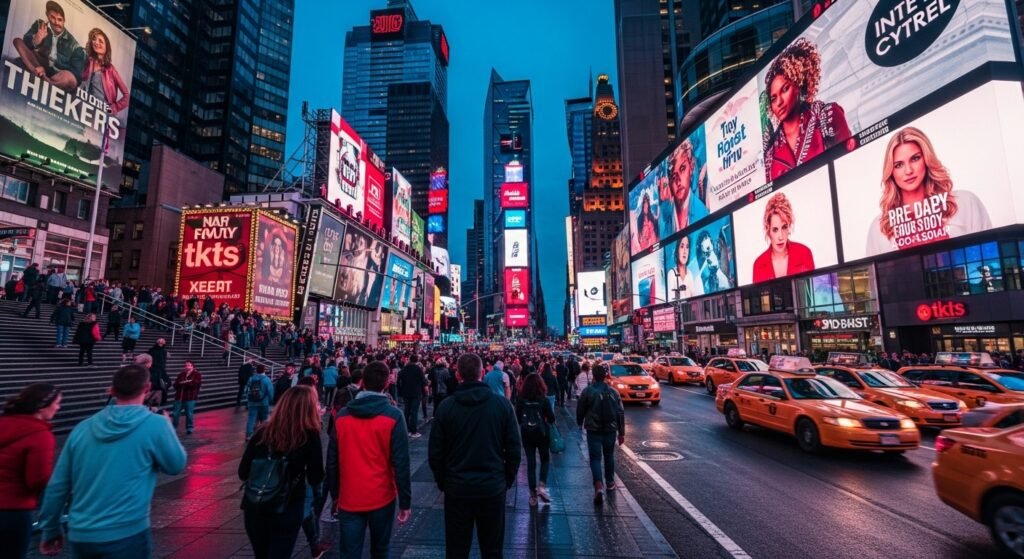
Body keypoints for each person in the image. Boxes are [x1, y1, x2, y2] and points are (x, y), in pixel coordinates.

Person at [37, 365, 187, 558]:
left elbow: (58, 485)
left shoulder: (83, 428)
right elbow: (176, 465)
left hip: (81, 533)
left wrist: (50, 528)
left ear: (112, 390)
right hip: (127, 531)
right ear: (147, 388)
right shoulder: (155, 425)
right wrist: (168, 427)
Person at [429, 353, 521, 559]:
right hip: (492, 487)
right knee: (492, 550)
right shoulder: (502, 406)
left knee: (456, 550)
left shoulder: (446, 407)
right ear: (482, 373)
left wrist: (444, 481)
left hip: (457, 488)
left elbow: (435, 453)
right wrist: (505, 480)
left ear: (458, 374)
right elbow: (514, 450)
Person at [327, 361, 411, 559]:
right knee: (380, 550)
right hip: (382, 495)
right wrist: (405, 501)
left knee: (349, 552)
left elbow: (332, 461)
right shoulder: (394, 416)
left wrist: (335, 495)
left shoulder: (342, 417)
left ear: (362, 382)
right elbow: (401, 462)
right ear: (387, 383)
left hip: (349, 496)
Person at [865, 126, 992, 256]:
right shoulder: (879, 228)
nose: (908, 171)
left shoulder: (965, 202)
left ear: (926, 159)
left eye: (915, 158)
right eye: (899, 165)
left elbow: (991, 258)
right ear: (891, 171)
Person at [239, 386, 324, 559]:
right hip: (287, 505)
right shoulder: (309, 435)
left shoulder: (262, 432)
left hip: (255, 505)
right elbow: (316, 476)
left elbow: (243, 472)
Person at [762, 38, 851, 182]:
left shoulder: (827, 117)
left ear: (799, 84)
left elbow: (850, 165)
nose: (779, 102)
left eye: (785, 89)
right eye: (773, 98)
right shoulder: (770, 153)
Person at [0, 384, 60, 559]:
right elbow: (38, 480)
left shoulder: (3, 423)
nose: (58, 407)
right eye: (56, 403)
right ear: (42, 407)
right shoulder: (40, 435)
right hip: (13, 511)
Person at [576, 363, 625, 505]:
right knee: (609, 456)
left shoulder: (588, 391)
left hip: (594, 430)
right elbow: (620, 413)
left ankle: (598, 485)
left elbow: (581, 409)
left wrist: (580, 422)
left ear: (594, 376)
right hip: (610, 429)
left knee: (595, 458)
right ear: (604, 376)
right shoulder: (613, 392)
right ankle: (610, 482)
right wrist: (621, 433)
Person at [12, 1, 85, 92]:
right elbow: (26, 45)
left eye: (59, 19)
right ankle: (40, 73)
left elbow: (77, 76)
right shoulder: (39, 25)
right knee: (17, 41)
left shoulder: (75, 46)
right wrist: (36, 41)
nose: (56, 22)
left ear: (64, 20)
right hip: (38, 64)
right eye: (52, 18)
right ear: (47, 15)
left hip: (58, 74)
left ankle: (47, 81)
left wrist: (61, 73)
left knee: (71, 79)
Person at [751, 192, 815, 283]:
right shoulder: (759, 265)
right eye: (775, 230)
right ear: (768, 230)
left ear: (789, 227)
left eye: (784, 227)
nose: (780, 237)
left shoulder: (804, 254)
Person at [515, 373, 555, 507]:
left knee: (530, 463)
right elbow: (552, 419)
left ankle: (532, 495)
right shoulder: (544, 400)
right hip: (542, 432)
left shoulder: (521, 399)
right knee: (544, 459)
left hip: (527, 433)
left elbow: (518, 417)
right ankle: (542, 485)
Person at [81, 27, 129, 114]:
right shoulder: (88, 60)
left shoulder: (110, 69)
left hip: (101, 112)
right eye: (94, 39)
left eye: (100, 41)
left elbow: (127, 96)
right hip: (84, 106)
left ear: (107, 47)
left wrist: (114, 108)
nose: (96, 42)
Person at [397, 354, 426, 438]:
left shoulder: (405, 368)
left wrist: (400, 390)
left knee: (407, 411)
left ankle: (406, 429)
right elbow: (423, 380)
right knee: (414, 412)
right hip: (416, 392)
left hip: (406, 392)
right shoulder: (418, 369)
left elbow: (399, 378)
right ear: (416, 360)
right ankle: (413, 431)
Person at [171, 360, 202, 435]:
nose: (186, 367)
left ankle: (189, 428)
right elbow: (176, 384)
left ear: (192, 366)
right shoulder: (181, 374)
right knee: (175, 413)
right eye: (185, 365)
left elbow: (194, 384)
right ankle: (173, 428)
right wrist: (186, 382)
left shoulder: (197, 374)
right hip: (179, 397)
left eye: (188, 365)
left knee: (189, 414)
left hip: (190, 397)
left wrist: (185, 383)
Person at [245, 365, 274, 440]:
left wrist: (248, 398)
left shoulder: (251, 378)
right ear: (264, 370)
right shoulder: (267, 379)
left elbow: (246, 390)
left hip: (252, 402)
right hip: (264, 402)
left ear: (256, 370)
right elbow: (270, 391)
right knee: (265, 418)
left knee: (251, 418)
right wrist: (271, 400)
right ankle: (265, 434)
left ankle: (248, 435)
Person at [147, 339, 171, 407]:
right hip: (152, 372)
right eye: (159, 342)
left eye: (162, 343)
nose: (161, 344)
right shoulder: (151, 351)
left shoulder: (164, 352)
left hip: (160, 372)